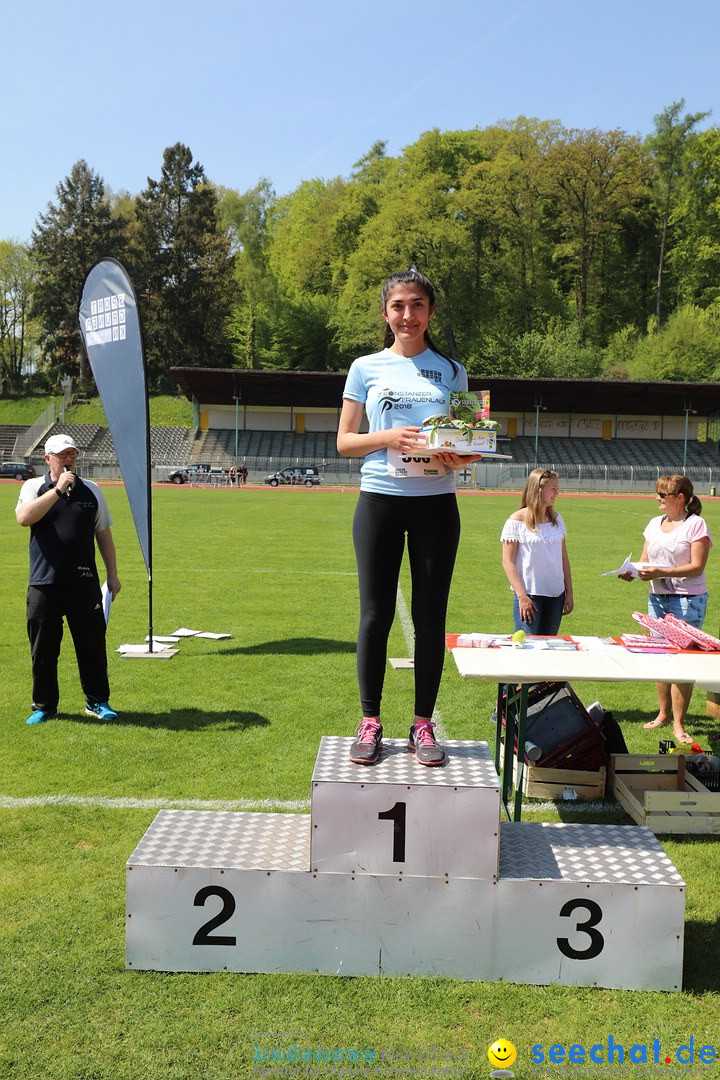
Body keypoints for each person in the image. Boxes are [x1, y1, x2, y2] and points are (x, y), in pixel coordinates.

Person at [337, 268, 482, 767]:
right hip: (379, 499)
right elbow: (344, 441)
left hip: (436, 505)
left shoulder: (454, 370)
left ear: (430, 312)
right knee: (375, 615)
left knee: (430, 617)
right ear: (385, 312)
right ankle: (370, 721)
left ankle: (423, 724)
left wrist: (460, 457)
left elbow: (472, 442)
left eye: (417, 305)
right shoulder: (365, 368)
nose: (407, 315)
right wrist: (388, 438)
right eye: (398, 305)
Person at [15, 433, 122, 725]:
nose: (69, 459)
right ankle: (44, 706)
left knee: (92, 646)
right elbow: (24, 518)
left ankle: (97, 702)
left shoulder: (92, 491)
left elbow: (104, 534)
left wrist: (112, 575)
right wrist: (58, 491)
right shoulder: (34, 487)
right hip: (43, 582)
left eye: (72, 454)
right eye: (62, 455)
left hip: (84, 582)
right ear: (47, 458)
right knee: (43, 649)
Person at [620, 474, 712, 745]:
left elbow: (697, 567)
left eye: (663, 494)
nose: (657, 498)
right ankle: (662, 715)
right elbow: (645, 561)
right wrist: (632, 572)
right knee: (661, 657)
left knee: (682, 661)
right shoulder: (653, 524)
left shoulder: (696, 525)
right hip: (657, 598)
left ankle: (679, 725)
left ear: (680, 497)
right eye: (658, 494)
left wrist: (662, 571)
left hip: (688, 600)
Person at [500, 469, 574, 635]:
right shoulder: (516, 521)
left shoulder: (557, 520)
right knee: (528, 650)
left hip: (556, 596)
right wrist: (522, 597)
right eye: (553, 488)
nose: (557, 493)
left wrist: (569, 593)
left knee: (548, 651)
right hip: (530, 597)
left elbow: (563, 559)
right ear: (539, 489)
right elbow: (507, 562)